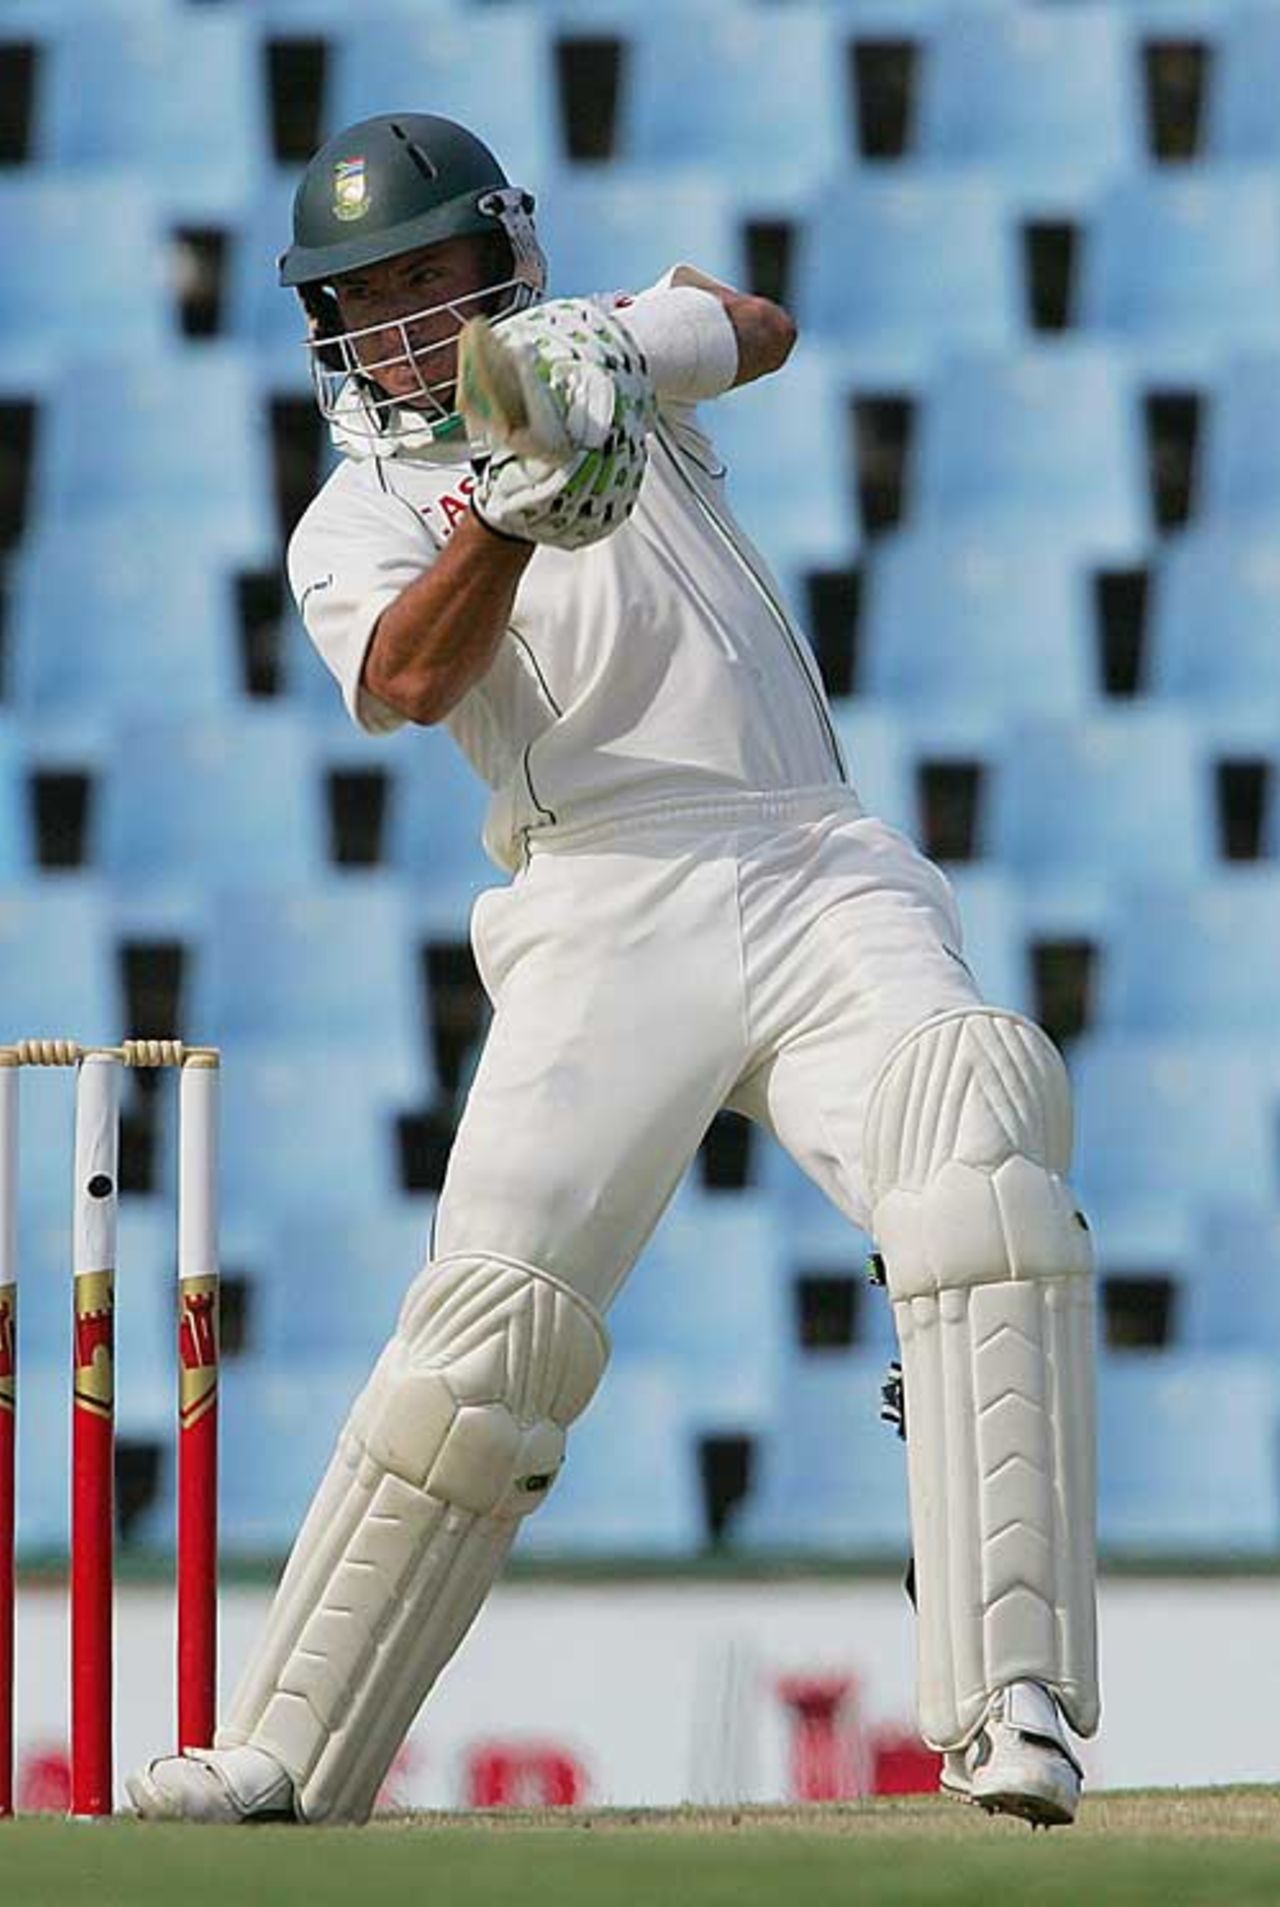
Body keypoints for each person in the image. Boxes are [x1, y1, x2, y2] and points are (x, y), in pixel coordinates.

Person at [129, 113, 1098, 1829]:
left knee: (979, 1150)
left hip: (813, 860)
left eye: (438, 278)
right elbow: (415, 684)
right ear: (326, 324)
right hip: (599, 901)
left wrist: (595, 360)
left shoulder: (610, 364)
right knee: (490, 1331)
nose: (413, 322)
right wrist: (509, 505)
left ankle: (1011, 1698)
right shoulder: (351, 522)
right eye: (372, 294)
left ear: (504, 258)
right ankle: (292, 1760)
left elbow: (762, 326)